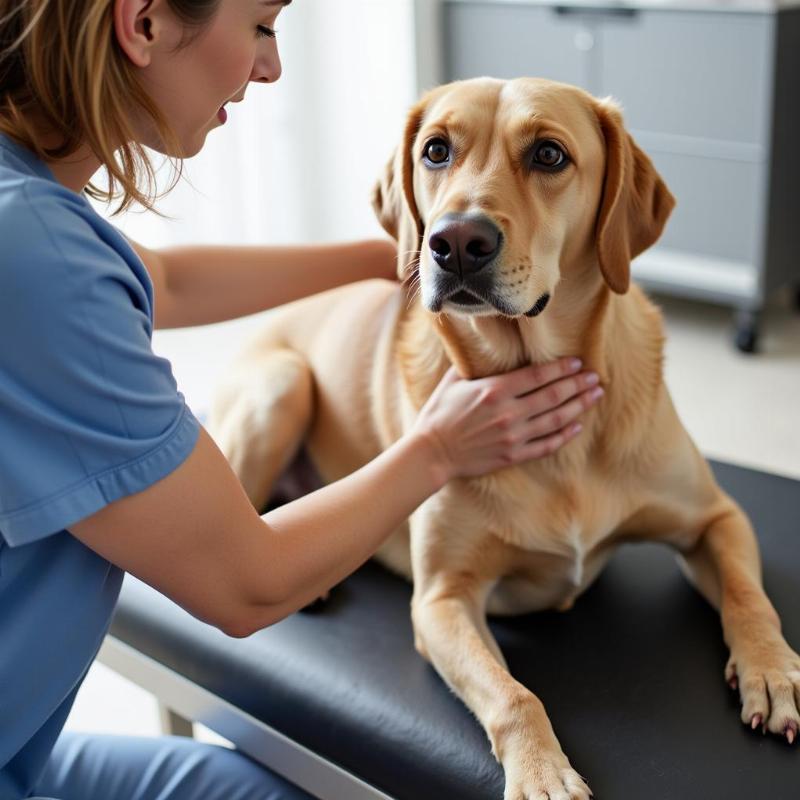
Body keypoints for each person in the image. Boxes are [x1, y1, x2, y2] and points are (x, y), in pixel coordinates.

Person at [0, 1, 605, 798]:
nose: (271, 66)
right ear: (143, 23)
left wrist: (397, 256)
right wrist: (439, 447)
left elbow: (168, 280)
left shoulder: (28, 209)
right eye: (261, 24)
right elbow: (247, 584)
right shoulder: (37, 259)